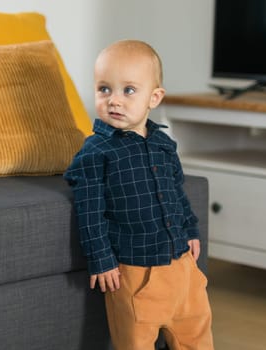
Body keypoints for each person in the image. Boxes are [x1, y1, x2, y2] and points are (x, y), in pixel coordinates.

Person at [64, 39, 214, 350]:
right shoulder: (96, 150)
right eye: (104, 89)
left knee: (196, 334)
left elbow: (176, 192)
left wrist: (190, 229)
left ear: (154, 97)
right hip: (134, 271)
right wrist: (101, 259)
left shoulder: (163, 144)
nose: (114, 101)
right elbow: (89, 211)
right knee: (135, 340)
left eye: (128, 90)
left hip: (182, 267)